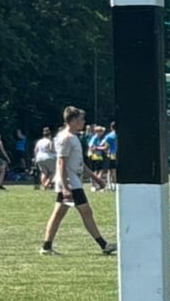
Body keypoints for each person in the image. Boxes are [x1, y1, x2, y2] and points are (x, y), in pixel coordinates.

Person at [40, 107, 115, 257]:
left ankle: (46, 247)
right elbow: (61, 163)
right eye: (81, 119)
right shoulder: (65, 138)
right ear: (73, 121)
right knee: (86, 212)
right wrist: (66, 187)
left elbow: (80, 163)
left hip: (73, 182)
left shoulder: (74, 137)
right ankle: (104, 245)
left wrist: (96, 178)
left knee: (58, 215)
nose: (84, 122)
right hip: (70, 183)